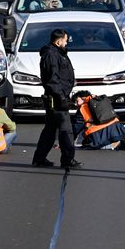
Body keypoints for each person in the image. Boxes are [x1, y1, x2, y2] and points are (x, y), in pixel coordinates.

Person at [32, 29, 82, 169]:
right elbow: (52, 79)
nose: (67, 43)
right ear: (59, 41)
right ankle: (67, 159)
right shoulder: (51, 55)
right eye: (65, 40)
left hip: (58, 97)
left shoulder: (58, 53)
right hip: (56, 99)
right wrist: (61, 97)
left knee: (50, 130)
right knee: (66, 130)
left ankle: (39, 159)